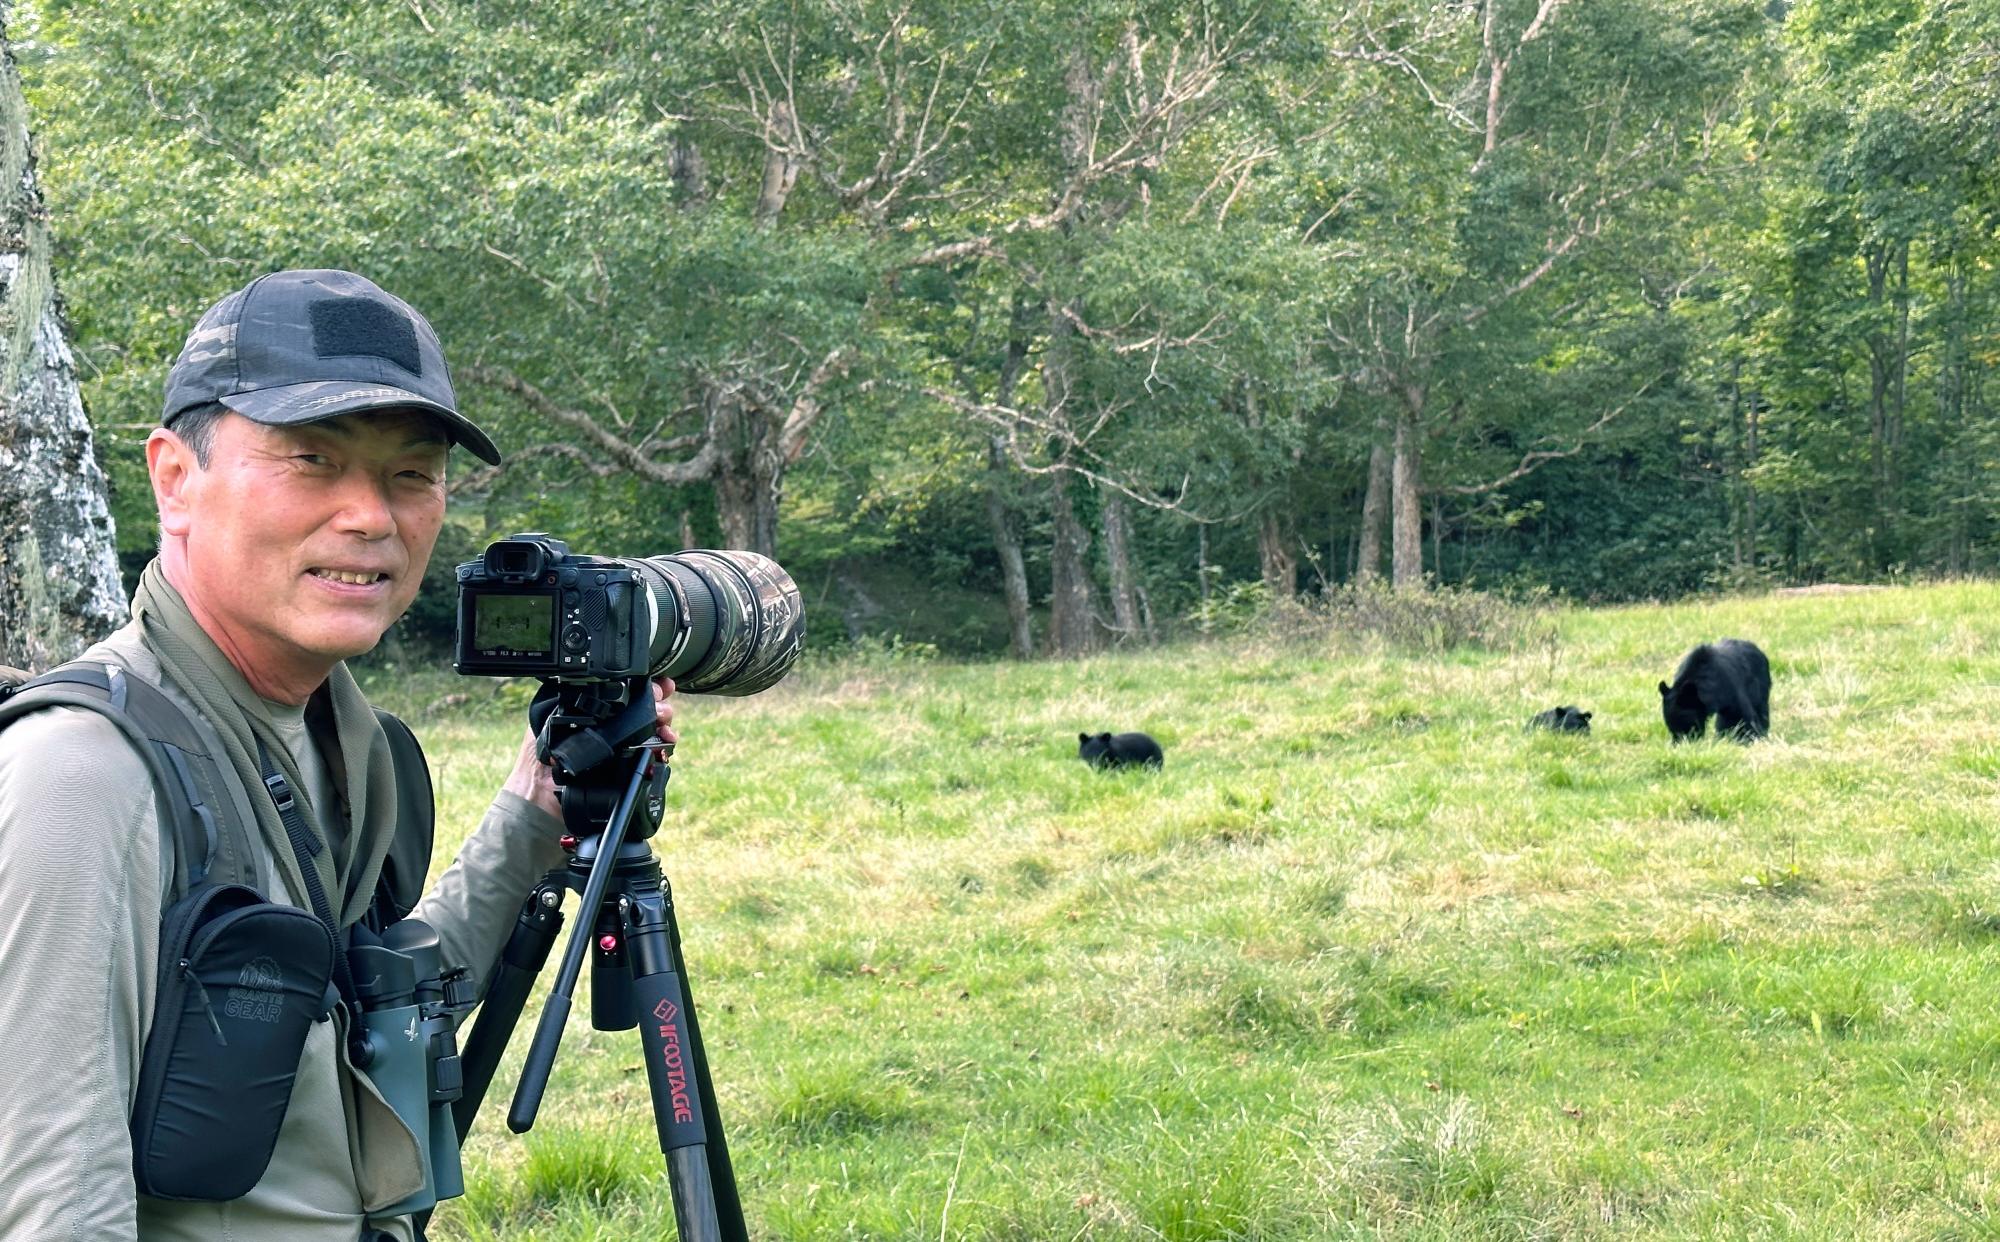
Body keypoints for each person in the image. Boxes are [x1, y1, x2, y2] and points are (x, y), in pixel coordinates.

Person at [0, 269, 675, 1241]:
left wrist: (537, 811)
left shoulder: (348, 742)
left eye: (411, 473)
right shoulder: (87, 772)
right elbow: (54, 1209)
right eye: (311, 460)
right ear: (173, 479)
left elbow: (365, 1014)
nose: (371, 516)